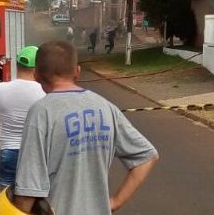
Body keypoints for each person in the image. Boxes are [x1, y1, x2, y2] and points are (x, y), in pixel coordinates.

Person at [13, 41, 159, 214]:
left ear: (36, 75)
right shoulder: (106, 108)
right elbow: (147, 156)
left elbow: (27, 192)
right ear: (77, 71)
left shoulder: (41, 113)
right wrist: (115, 202)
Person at [0, 46, 45, 189]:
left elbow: (0, 117)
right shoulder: (44, 92)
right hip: (35, 152)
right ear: (38, 68)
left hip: (8, 151)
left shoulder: (0, 89)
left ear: (17, 65)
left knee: (7, 197)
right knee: (36, 198)